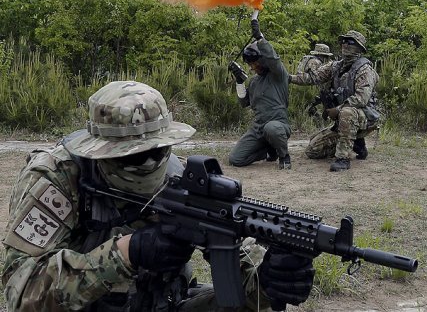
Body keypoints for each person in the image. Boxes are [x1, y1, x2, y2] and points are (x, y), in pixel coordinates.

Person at [1, 81, 314, 311]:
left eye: (158, 150)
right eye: (135, 156)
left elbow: (238, 259)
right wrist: (125, 253)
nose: (150, 163)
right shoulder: (57, 178)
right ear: (102, 153)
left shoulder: (179, 176)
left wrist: (268, 281)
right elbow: (21, 293)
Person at [289, 31, 380, 172]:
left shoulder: (365, 70)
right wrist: (287, 77)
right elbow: (313, 78)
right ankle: (356, 142)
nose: (345, 44)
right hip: (345, 118)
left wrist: (337, 109)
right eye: (343, 41)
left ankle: (343, 158)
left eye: (350, 42)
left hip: (365, 117)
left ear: (359, 48)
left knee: (347, 112)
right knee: (313, 150)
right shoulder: (335, 66)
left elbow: (361, 99)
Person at [228, 18, 292, 170]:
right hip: (258, 128)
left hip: (278, 125)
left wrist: (260, 38)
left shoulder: (278, 74)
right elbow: (244, 103)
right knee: (235, 159)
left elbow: (273, 58)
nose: (252, 67)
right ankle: (268, 150)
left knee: (272, 129)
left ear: (263, 60)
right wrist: (239, 81)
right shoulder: (255, 81)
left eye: (254, 63)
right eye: (250, 64)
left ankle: (284, 155)